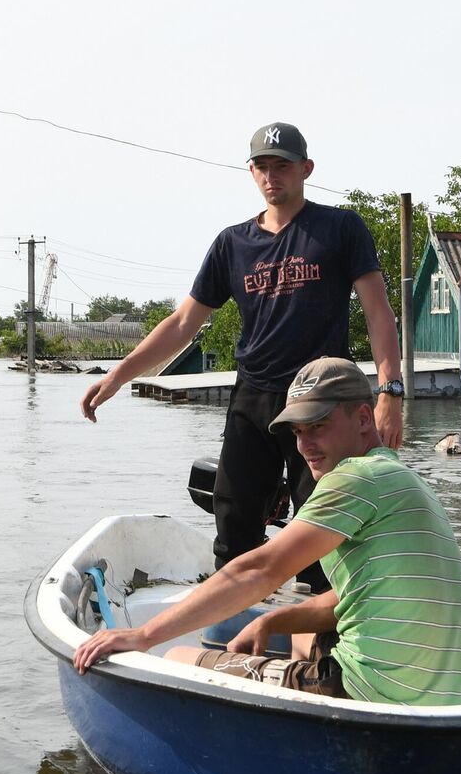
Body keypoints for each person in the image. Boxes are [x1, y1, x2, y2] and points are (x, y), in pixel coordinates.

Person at [79, 121, 406, 581]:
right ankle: (235, 636)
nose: (273, 176)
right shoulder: (233, 243)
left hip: (321, 400)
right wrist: (119, 375)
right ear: (252, 172)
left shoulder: (339, 228)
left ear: (306, 169)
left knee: (321, 534)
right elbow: (182, 323)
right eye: (262, 166)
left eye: (283, 166)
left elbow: (378, 310)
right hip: (253, 397)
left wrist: (389, 393)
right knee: (234, 529)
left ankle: (322, 645)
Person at [73, 357, 461, 707]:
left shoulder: (353, 478)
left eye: (318, 425)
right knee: (299, 636)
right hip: (440, 698)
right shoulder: (402, 478)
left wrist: (143, 636)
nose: (305, 445)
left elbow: (259, 571)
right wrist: (272, 621)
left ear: (364, 419)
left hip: (369, 693)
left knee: (176, 656)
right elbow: (353, 596)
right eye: (297, 432)